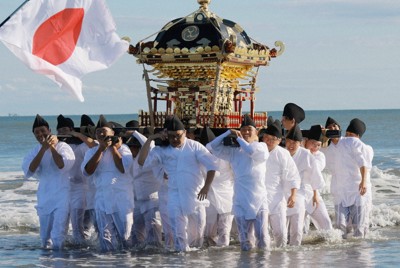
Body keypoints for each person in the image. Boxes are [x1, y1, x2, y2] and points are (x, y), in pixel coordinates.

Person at [138, 115, 217, 252]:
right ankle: (180, 260)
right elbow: (142, 162)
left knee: (197, 236)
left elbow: (212, 166)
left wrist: (206, 186)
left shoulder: (194, 146)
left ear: (185, 133)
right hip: (174, 196)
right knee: (179, 235)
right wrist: (151, 138)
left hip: (195, 196)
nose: (175, 139)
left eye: (178, 136)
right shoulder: (161, 150)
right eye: (171, 136)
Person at [207, 115, 270, 251]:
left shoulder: (261, 146)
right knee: (245, 240)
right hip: (241, 199)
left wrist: (239, 139)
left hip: (259, 199)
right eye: (243, 130)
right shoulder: (234, 151)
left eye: (249, 130)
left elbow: (251, 151)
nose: (246, 132)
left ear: (256, 132)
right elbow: (212, 146)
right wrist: (228, 132)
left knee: (262, 238)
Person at [22, 114, 75, 250]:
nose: (40, 134)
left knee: (57, 236)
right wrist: (43, 149)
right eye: (37, 132)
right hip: (45, 197)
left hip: (62, 196)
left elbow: (62, 165)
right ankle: (47, 263)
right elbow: (29, 171)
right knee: (45, 239)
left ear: (49, 131)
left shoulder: (63, 146)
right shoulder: (34, 151)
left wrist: (51, 147)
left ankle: (60, 262)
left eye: (43, 131)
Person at [82, 115, 134, 252]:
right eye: (97, 131)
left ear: (112, 133)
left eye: (103, 130)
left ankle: (129, 262)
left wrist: (113, 149)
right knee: (106, 239)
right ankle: (108, 263)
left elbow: (123, 169)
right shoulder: (92, 152)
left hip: (121, 198)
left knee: (125, 236)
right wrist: (101, 149)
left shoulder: (124, 149)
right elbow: (87, 172)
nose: (100, 133)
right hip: (102, 199)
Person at [322, 118, 369, 238]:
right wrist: (321, 137)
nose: (332, 128)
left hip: (356, 190)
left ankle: (360, 253)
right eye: (329, 127)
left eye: (334, 126)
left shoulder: (351, 142)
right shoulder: (325, 149)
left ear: (339, 128)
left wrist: (363, 182)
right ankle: (342, 255)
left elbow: (363, 163)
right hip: (339, 192)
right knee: (340, 227)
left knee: (359, 227)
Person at [56, 114, 97, 245]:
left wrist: (78, 135)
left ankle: (81, 251)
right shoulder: (59, 146)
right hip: (65, 189)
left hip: (82, 188)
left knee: (78, 223)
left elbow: (96, 147)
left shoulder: (83, 146)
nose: (62, 133)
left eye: (65, 130)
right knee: (63, 222)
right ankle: (65, 247)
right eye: (60, 130)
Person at [261, 121, 301, 247]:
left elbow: (293, 175)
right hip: (259, 197)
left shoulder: (283, 154)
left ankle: (281, 261)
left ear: (279, 140)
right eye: (266, 138)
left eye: (273, 139)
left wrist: (293, 195)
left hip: (277, 198)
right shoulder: (257, 150)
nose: (269, 141)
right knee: (262, 234)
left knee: (281, 234)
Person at [125, 129, 163, 248]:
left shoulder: (149, 156)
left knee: (153, 233)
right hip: (136, 201)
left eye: (134, 147)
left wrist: (135, 133)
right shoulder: (128, 158)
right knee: (137, 235)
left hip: (151, 199)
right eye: (130, 147)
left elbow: (150, 144)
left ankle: (155, 260)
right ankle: (141, 260)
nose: (131, 150)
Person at [202, 126, 235, 247]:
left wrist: (228, 132)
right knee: (209, 233)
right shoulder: (202, 156)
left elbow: (235, 174)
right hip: (209, 197)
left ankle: (225, 261)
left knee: (225, 232)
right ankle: (214, 260)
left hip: (226, 195)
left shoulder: (226, 154)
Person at [345, 118, 373, 237]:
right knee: (349, 224)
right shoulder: (345, 147)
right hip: (348, 189)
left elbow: (364, 165)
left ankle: (361, 250)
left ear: (358, 136)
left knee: (361, 223)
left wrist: (363, 182)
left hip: (362, 188)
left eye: (351, 135)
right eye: (346, 134)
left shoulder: (366, 148)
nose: (348, 138)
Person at [302, 125, 333, 232]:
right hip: (298, 194)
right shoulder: (298, 152)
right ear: (306, 141)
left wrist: (306, 151)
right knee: (300, 227)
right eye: (313, 144)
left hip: (313, 194)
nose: (315, 147)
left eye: (318, 145)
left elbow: (315, 168)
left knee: (326, 223)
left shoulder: (320, 156)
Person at [284, 125, 307, 246]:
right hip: (281, 195)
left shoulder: (306, 154)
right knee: (281, 231)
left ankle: (296, 258)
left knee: (297, 230)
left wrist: (315, 193)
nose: (291, 145)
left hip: (299, 194)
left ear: (301, 143)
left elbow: (315, 174)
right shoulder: (280, 153)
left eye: (295, 143)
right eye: (289, 142)